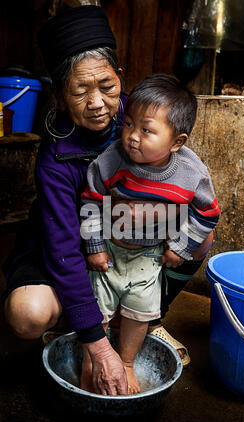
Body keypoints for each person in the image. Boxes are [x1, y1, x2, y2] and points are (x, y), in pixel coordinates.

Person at [1, 6, 214, 396]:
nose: (98, 102)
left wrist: (168, 225)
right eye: (80, 91)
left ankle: (145, 315)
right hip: (67, 244)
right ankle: (88, 320)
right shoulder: (54, 156)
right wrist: (95, 345)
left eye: (107, 86)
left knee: (198, 236)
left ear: (121, 78)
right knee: (27, 316)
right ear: (61, 98)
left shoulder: (143, 115)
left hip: (128, 241)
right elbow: (63, 245)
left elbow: (184, 181)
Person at [80, 73, 221, 393]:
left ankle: (127, 361)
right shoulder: (111, 159)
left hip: (150, 255)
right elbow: (90, 201)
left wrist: (181, 247)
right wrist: (95, 245)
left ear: (176, 142)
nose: (131, 136)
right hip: (111, 253)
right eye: (129, 123)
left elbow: (208, 211)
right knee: (97, 310)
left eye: (146, 130)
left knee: (139, 312)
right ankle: (92, 358)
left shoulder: (190, 172)